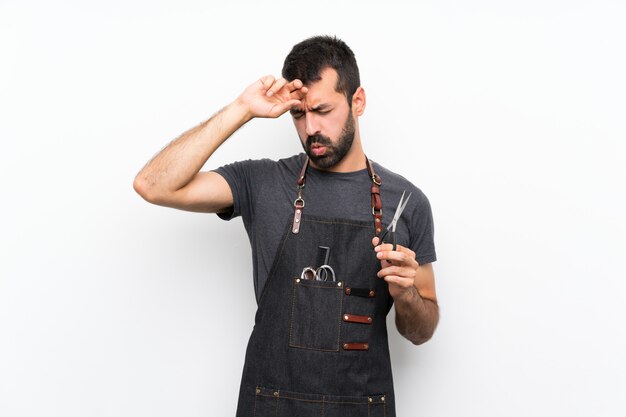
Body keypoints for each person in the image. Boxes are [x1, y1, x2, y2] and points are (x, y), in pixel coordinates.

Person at [134, 35, 439, 417]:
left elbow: (421, 331)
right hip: (271, 405)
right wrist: (242, 109)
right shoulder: (262, 183)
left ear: (357, 101)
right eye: (299, 114)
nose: (311, 127)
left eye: (323, 110)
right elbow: (153, 185)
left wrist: (406, 294)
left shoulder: (406, 202)